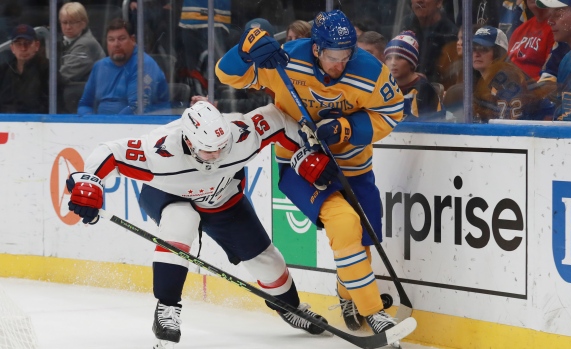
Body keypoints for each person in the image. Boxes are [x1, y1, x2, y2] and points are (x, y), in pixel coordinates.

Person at [65, 100, 332, 348]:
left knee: (268, 261)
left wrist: (307, 151)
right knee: (181, 220)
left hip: (223, 199)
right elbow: (108, 152)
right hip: (168, 195)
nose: (217, 154)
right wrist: (90, 181)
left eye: (222, 147)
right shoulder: (158, 151)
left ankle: (291, 308)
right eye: (208, 150)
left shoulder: (240, 133)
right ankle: (167, 308)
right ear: (189, 142)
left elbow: (279, 120)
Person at [216, 9, 408, 338]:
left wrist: (347, 128)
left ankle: (348, 296)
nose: (341, 64)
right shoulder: (286, 60)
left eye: (347, 54)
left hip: (354, 166)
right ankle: (374, 312)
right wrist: (244, 52)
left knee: (362, 239)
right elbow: (228, 75)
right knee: (344, 223)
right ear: (317, 49)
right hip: (298, 165)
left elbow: (392, 113)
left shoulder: (370, 71)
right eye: (334, 56)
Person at [78, 18, 170, 115]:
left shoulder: (143, 64)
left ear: (133, 40)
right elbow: (85, 104)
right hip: (103, 126)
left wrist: (109, 125)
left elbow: (136, 108)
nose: (116, 44)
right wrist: (90, 122)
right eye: (111, 40)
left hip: (140, 126)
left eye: (122, 39)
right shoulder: (99, 67)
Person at [472, 25, 552, 121]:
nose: (476, 54)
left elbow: (546, 110)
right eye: (473, 48)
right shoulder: (478, 82)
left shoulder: (508, 79)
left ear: (499, 53)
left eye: (483, 49)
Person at [384, 31, 443, 121]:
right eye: (389, 58)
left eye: (399, 57)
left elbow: (422, 128)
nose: (392, 63)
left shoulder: (424, 90)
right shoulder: (385, 86)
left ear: (412, 63)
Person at [401, 0, 458, 83]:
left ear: (438, 3)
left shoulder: (450, 35)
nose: (419, 1)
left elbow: (447, 78)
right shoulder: (405, 26)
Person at [0, 23, 48, 113]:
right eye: (18, 44)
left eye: (28, 43)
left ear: (37, 45)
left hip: (38, 123)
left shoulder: (47, 70)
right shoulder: (3, 71)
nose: (23, 48)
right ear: (12, 48)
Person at [507, 0, 556, 80]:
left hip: (536, 88)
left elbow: (550, 73)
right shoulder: (519, 30)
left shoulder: (556, 29)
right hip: (510, 86)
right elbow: (507, 64)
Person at [58, 2, 105, 84]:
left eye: (72, 22)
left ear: (83, 24)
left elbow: (62, 76)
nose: (68, 27)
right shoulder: (65, 41)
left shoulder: (85, 45)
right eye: (64, 22)